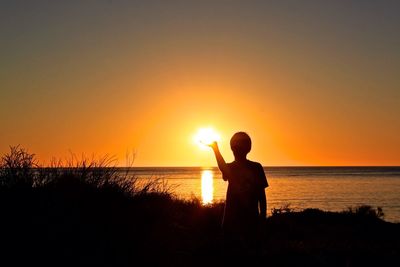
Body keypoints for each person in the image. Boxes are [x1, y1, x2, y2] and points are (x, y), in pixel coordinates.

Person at [209, 132, 268, 246]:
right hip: (234, 221)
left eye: (239, 145)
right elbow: (262, 196)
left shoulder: (256, 167)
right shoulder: (234, 167)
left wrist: (263, 217)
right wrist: (215, 149)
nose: (237, 148)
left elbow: (261, 194)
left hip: (248, 221)